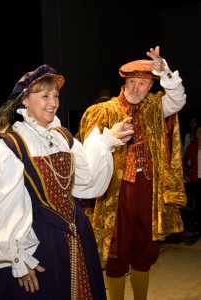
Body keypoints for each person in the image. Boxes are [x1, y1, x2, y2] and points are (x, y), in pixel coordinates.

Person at [0, 64, 134, 300]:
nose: (53, 102)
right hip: (38, 244)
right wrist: (18, 258)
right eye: (44, 96)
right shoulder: (10, 146)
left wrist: (107, 140)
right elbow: (0, 208)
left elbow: (86, 180)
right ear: (25, 100)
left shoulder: (63, 137)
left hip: (77, 237)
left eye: (55, 96)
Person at [78, 46, 187, 300]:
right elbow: (87, 151)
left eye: (143, 83)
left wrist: (165, 72)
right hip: (117, 191)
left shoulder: (155, 107)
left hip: (148, 189)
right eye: (132, 82)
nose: (136, 88)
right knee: (117, 252)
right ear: (124, 83)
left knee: (145, 250)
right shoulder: (103, 111)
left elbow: (178, 99)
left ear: (151, 86)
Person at [183, 125, 201, 236]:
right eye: (199, 131)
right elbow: (183, 161)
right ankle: (198, 228)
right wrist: (185, 175)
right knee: (198, 205)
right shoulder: (191, 147)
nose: (200, 133)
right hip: (196, 180)